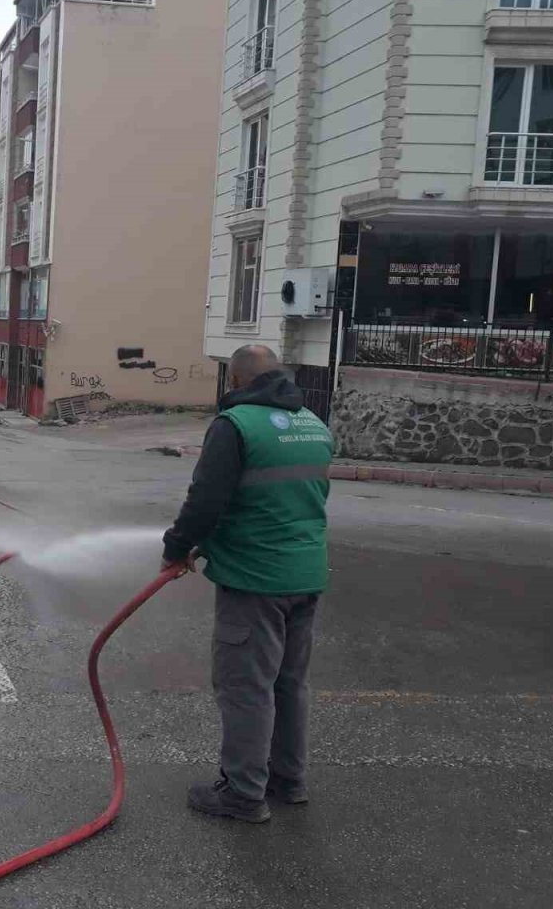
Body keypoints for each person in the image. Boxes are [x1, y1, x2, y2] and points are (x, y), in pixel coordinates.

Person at [161, 345, 333, 824]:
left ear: (235, 380)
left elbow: (206, 501)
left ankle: (242, 793)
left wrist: (177, 548)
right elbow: (285, 500)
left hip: (255, 580)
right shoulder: (314, 426)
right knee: (289, 684)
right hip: (306, 575)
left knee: (246, 688)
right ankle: (288, 781)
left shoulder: (235, 426)